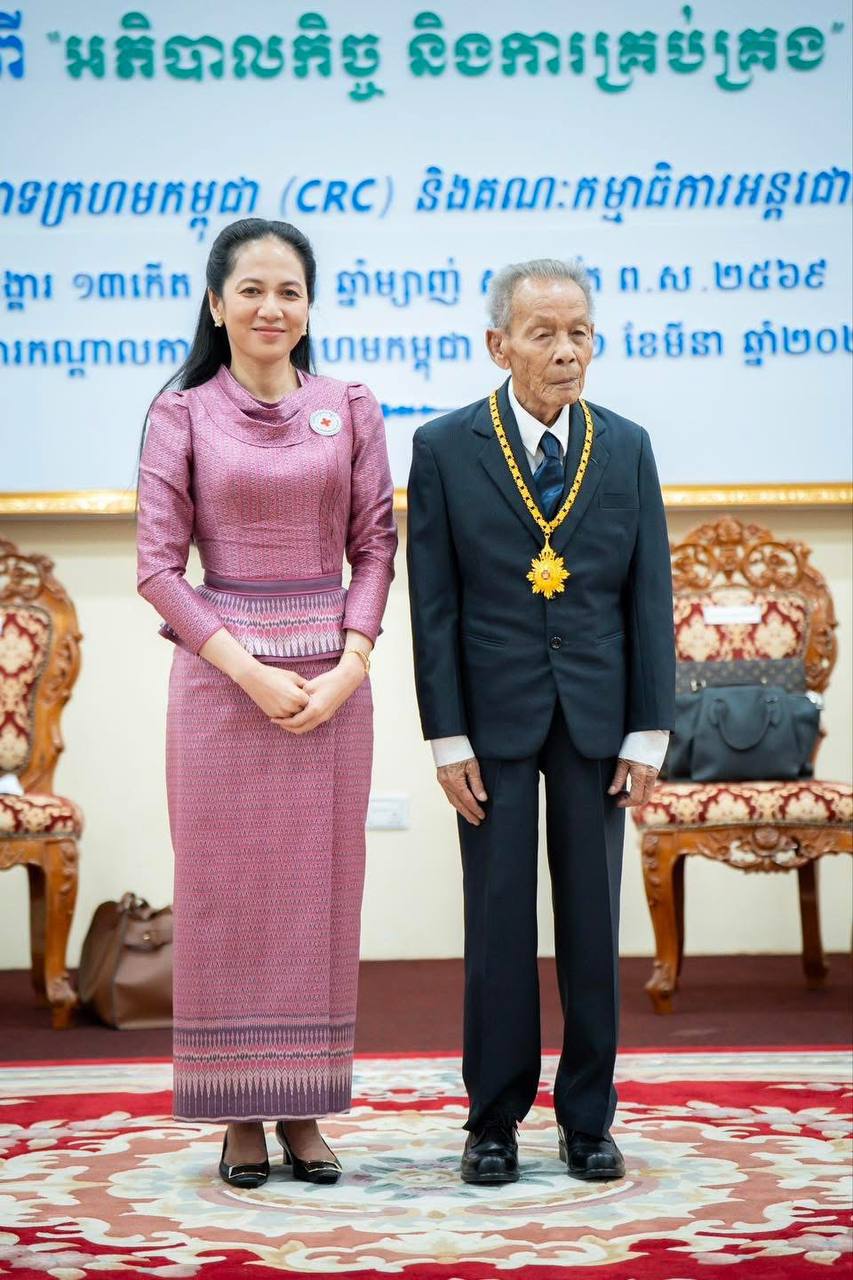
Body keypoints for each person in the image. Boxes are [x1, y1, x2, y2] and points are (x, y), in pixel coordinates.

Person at [136, 218, 396, 1189]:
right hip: (221, 687)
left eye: (289, 290)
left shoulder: (349, 407)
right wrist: (248, 670)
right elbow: (157, 569)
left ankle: (303, 1107)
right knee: (225, 896)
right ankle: (237, 1113)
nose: (270, 307)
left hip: (331, 686)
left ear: (309, 306)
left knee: (320, 896)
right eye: (250, 289)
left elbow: (376, 545)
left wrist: (351, 662)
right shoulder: (181, 414)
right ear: (216, 305)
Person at [406, 258, 675, 1185]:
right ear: (499, 344)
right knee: (497, 923)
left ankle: (588, 1119)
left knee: (593, 925)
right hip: (490, 719)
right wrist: (446, 736)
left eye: (579, 333)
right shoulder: (445, 447)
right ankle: (492, 1121)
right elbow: (433, 604)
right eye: (543, 334)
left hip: (597, 716)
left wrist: (648, 731)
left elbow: (648, 594)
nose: (566, 352)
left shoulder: (626, 445)